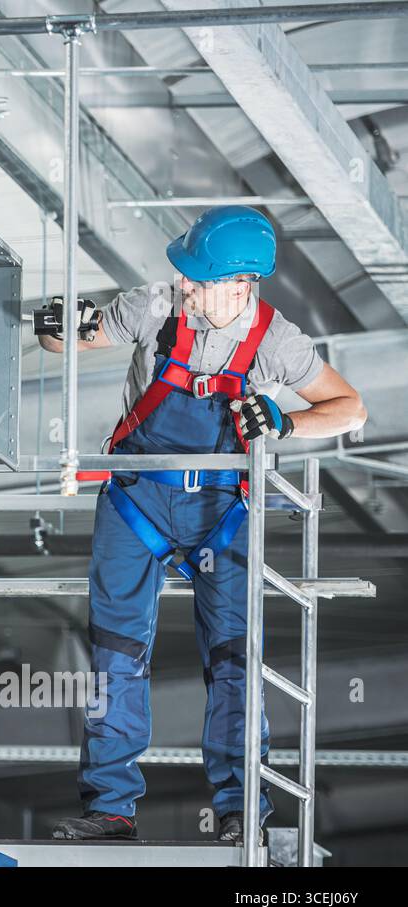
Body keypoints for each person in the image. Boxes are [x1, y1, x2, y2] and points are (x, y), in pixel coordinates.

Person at [37, 206, 366, 844]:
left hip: (224, 511)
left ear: (242, 283)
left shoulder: (278, 341)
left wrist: (286, 421)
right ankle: (110, 808)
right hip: (137, 501)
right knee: (114, 654)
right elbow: (70, 339)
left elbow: (350, 408)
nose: (184, 285)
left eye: (199, 278)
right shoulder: (154, 307)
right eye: (186, 275)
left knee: (235, 658)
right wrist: (53, 327)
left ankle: (242, 810)